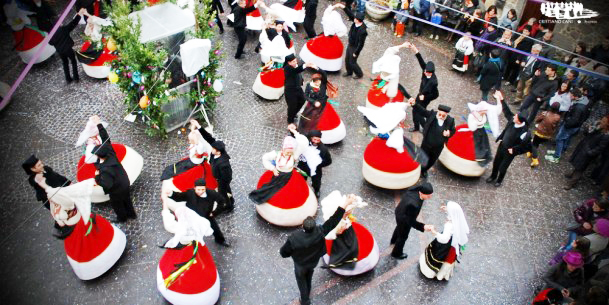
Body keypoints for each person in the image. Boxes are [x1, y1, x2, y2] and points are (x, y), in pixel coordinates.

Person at [35, 178, 126, 280]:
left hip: (79, 221)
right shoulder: (55, 202)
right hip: (75, 225)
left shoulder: (62, 200)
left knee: (93, 239)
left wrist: (46, 187)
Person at [280, 194, 356, 305]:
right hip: (312, 263)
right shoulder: (320, 231)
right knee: (309, 276)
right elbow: (333, 220)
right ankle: (308, 292)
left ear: (303, 226)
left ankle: (305, 300)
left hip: (300, 264)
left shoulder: (294, 238)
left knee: (301, 280)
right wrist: (345, 204)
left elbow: (284, 253)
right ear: (314, 226)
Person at [249, 125, 319, 226]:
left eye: (290, 151)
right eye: (287, 151)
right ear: (283, 148)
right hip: (277, 176)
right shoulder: (277, 154)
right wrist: (272, 168)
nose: (288, 153)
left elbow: (303, 142)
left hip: (290, 177)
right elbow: (265, 158)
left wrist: (295, 132)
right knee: (270, 191)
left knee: (293, 196)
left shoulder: (294, 155)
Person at [157, 205, 220, 305]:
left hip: (184, 249)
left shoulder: (180, 228)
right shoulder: (198, 224)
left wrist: (165, 207)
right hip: (196, 247)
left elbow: (168, 223)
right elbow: (207, 227)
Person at [90, 115, 137, 222]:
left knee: (117, 204)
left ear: (99, 156)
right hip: (124, 182)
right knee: (127, 200)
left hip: (116, 190)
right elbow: (105, 137)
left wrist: (97, 177)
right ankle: (132, 214)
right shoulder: (110, 152)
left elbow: (107, 184)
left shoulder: (105, 169)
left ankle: (122, 218)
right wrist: (98, 123)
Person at [164, 178, 231, 247]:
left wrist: (214, 212)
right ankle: (184, 242)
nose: (201, 192)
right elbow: (179, 197)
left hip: (206, 215)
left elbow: (222, 201)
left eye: (203, 189)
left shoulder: (212, 193)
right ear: (194, 188)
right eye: (198, 190)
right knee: (185, 230)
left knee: (215, 228)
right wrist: (171, 193)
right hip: (191, 216)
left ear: (205, 188)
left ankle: (220, 240)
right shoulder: (190, 193)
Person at [485, 93, 531, 187]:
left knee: (503, 167)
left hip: (510, 152)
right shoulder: (512, 120)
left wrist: (514, 150)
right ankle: (493, 176)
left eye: (516, 117)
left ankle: (499, 180)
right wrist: (502, 99)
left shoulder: (524, 132)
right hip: (502, 145)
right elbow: (507, 111)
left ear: (519, 121)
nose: (513, 117)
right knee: (496, 162)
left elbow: (526, 146)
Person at [192, 120, 236, 213]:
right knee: (226, 191)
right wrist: (198, 126)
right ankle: (230, 199)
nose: (211, 149)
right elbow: (208, 137)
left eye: (213, 149)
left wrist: (221, 183)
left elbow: (228, 177)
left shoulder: (224, 164)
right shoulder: (216, 151)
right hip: (219, 178)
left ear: (218, 152)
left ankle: (228, 206)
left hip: (221, 181)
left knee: (223, 192)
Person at [419, 201, 469, 280]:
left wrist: (434, 232)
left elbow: (444, 239)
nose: (446, 208)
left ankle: (432, 272)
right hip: (452, 243)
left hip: (445, 245)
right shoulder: (458, 219)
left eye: (447, 208)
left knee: (437, 256)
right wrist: (446, 209)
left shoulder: (449, 225)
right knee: (449, 258)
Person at [409, 101, 455, 177]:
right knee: (422, 157)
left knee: (432, 160)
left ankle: (424, 170)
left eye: (443, 116)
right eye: (439, 114)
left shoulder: (450, 120)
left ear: (446, 115)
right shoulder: (432, 115)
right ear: (438, 112)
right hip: (427, 144)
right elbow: (422, 111)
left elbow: (453, 130)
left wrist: (449, 133)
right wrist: (414, 104)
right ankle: (418, 169)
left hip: (438, 147)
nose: (441, 117)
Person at [298, 69, 345, 143]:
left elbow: (324, 74)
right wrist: (314, 102)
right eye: (316, 82)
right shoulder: (309, 86)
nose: (318, 83)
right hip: (312, 106)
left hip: (323, 106)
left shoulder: (323, 85)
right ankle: (308, 134)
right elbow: (306, 96)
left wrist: (316, 68)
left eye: (319, 81)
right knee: (308, 121)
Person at [391, 182, 434, 259]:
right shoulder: (414, 204)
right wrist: (423, 226)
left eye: (431, 194)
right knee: (403, 236)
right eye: (428, 195)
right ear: (421, 193)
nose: (430, 197)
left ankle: (393, 240)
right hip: (404, 218)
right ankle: (396, 253)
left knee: (399, 227)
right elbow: (410, 221)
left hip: (399, 211)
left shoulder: (413, 190)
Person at [564, 116, 609, 190]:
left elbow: (600, 147)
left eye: (604, 121)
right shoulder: (597, 127)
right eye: (602, 120)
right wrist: (589, 128)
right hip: (584, 147)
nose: (601, 122)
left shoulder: (606, 136)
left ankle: (571, 183)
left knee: (580, 168)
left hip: (588, 153)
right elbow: (586, 133)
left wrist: (590, 153)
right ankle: (572, 174)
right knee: (577, 163)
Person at [298, 3, 347, 72]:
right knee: (331, 52)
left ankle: (317, 64)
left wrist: (335, 6)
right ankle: (327, 67)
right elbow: (342, 31)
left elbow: (327, 11)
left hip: (325, 37)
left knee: (317, 48)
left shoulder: (327, 18)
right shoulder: (332, 24)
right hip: (332, 38)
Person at [546, 88, 588, 163]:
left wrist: (566, 122)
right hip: (575, 126)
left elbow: (573, 120)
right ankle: (559, 151)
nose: (569, 96)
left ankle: (556, 156)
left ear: (575, 96)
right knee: (565, 139)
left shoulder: (578, 107)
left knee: (559, 139)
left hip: (569, 126)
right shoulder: (584, 102)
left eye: (570, 95)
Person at [407, 43, 439, 132]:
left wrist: (425, 97)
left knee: (420, 113)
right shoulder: (425, 70)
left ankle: (425, 129)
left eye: (428, 73)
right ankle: (416, 127)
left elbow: (436, 95)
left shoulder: (434, 82)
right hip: (420, 95)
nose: (425, 73)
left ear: (431, 73)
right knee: (414, 111)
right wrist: (415, 50)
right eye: (425, 71)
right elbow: (420, 60)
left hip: (425, 99)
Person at [49, 8, 85, 83]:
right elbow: (73, 23)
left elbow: (51, 43)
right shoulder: (63, 30)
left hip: (60, 51)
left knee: (65, 63)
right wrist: (79, 14)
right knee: (73, 61)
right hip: (68, 49)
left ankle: (68, 79)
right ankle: (76, 78)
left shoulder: (51, 34)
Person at [296, 130, 331, 198]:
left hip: (315, 169)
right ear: (311, 138)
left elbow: (328, 161)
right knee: (301, 179)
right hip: (302, 166)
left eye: (318, 140)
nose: (316, 142)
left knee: (316, 182)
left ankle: (316, 190)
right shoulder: (305, 142)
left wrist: (318, 165)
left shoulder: (323, 149)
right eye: (314, 139)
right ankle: (301, 189)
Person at [283, 54, 317, 124]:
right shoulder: (287, 68)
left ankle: (294, 113)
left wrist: (301, 80)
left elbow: (298, 73)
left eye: (295, 60)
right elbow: (296, 71)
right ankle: (290, 120)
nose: (295, 62)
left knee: (302, 100)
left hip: (298, 88)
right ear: (289, 63)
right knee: (292, 106)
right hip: (290, 91)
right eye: (293, 61)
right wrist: (306, 65)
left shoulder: (295, 65)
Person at [528, 102, 561, 168]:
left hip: (540, 133)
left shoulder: (545, 113)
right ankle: (530, 152)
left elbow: (537, 120)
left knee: (534, 144)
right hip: (548, 135)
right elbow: (556, 125)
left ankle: (535, 159)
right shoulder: (558, 117)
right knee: (537, 143)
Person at [343, 12, 367, 79]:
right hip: (350, 44)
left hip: (355, 47)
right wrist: (344, 8)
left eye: (355, 18)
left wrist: (356, 52)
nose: (354, 19)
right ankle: (349, 72)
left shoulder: (363, 31)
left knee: (352, 62)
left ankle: (359, 74)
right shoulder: (355, 23)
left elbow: (361, 44)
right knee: (347, 59)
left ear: (358, 20)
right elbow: (350, 15)